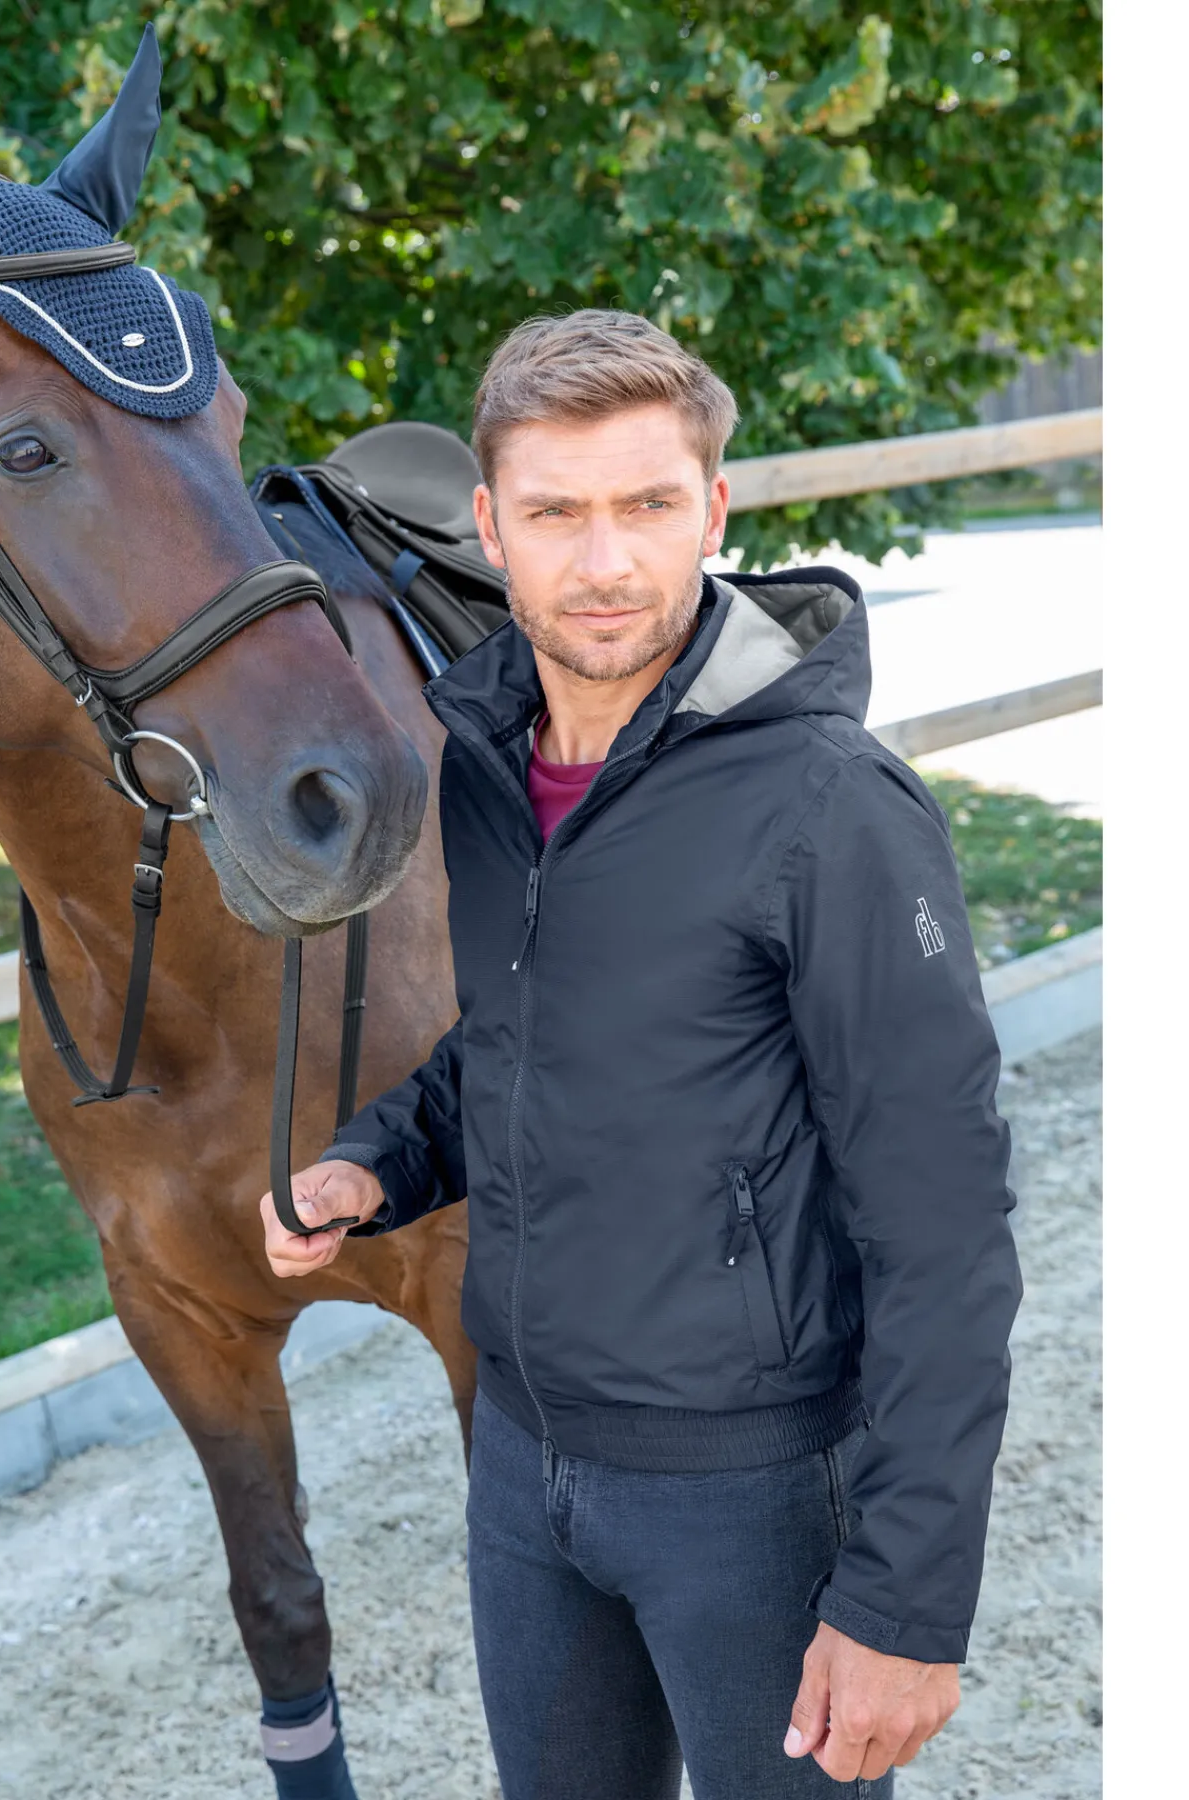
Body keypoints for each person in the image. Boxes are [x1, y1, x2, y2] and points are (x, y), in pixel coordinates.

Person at [259, 309, 1022, 1800]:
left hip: (752, 1491)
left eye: (648, 505)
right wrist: (375, 1161)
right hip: (520, 1459)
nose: (604, 561)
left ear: (713, 511)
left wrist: (906, 1606)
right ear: (490, 527)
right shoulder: (485, 766)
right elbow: (523, 1039)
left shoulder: (831, 805)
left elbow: (946, 1223)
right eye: (555, 514)